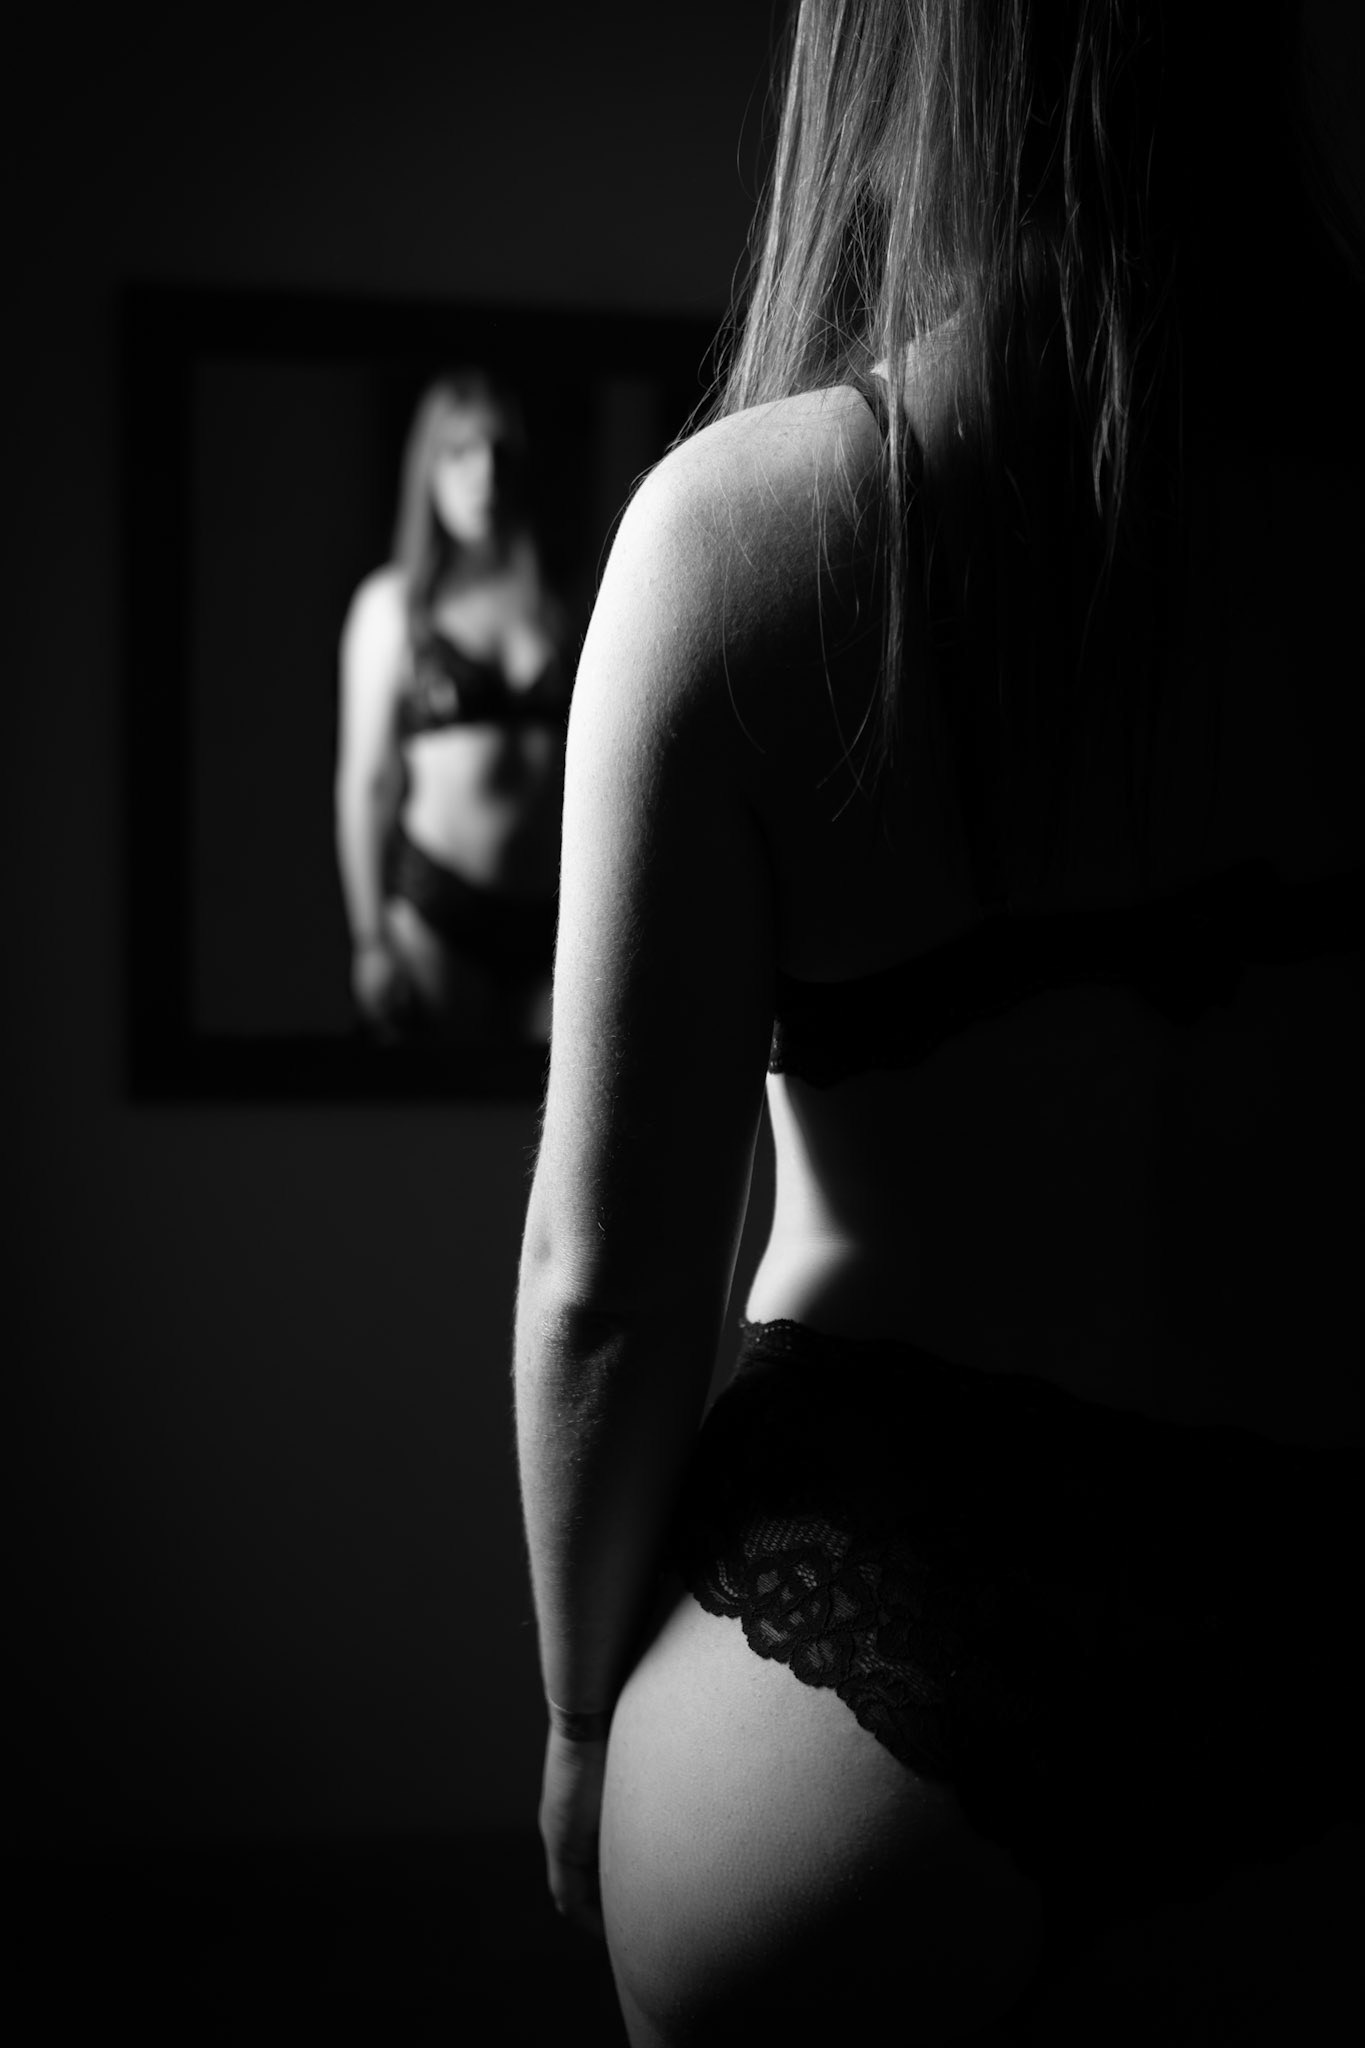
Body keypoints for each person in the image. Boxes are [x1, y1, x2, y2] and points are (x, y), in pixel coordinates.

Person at [515, 2, 1363, 2041]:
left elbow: (605, 1290)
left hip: (846, 1665)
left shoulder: (737, 539)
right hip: (1311, 1609)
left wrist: (576, 1719)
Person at [335, 370, 569, 1047]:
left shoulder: (555, 609)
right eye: (460, 452)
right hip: (437, 914)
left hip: (550, 921)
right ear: (429, 469)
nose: (483, 474)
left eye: (499, 452)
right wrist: (369, 939)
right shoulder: (391, 608)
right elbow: (366, 784)